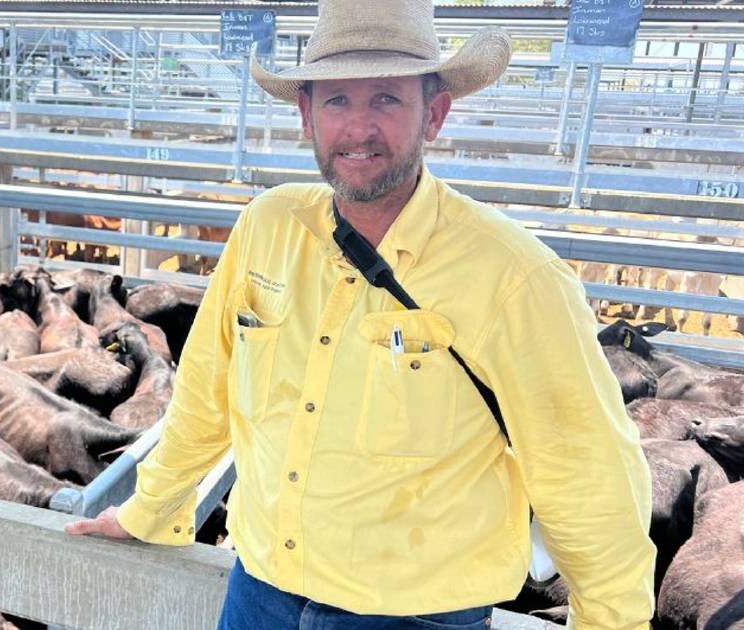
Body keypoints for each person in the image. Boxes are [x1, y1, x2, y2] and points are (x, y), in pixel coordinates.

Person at [66, 0, 656, 627]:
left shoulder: (514, 276)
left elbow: (584, 473)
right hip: (259, 589)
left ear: (434, 113)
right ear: (306, 115)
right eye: (337, 101)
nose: (358, 127)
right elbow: (206, 398)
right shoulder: (267, 229)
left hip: (411, 616)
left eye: (385, 99)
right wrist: (148, 509)